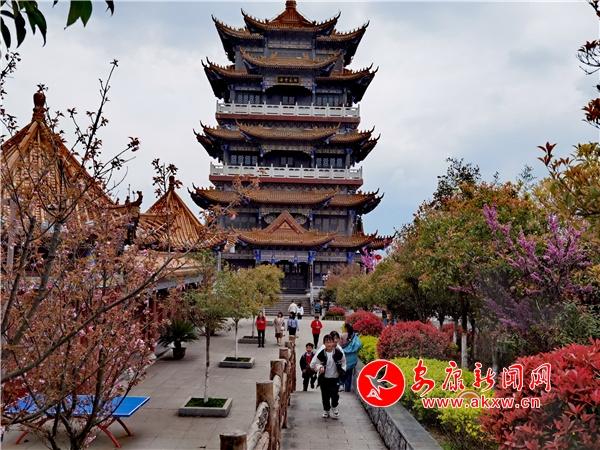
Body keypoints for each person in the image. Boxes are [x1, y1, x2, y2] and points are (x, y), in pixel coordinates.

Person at [311, 334, 346, 419]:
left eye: (330, 342)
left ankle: (334, 407)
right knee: (325, 395)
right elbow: (316, 364)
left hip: (335, 378)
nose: (328, 344)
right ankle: (326, 410)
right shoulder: (322, 354)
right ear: (324, 343)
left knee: (335, 394)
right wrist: (320, 367)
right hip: (324, 378)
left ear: (333, 343)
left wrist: (342, 371)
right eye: (326, 342)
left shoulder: (338, 353)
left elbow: (343, 362)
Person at [340, 323, 362, 392]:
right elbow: (359, 346)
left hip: (344, 357)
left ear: (346, 328)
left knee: (341, 372)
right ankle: (347, 388)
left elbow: (339, 347)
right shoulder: (355, 337)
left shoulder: (342, 336)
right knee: (349, 374)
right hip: (352, 358)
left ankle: (341, 385)